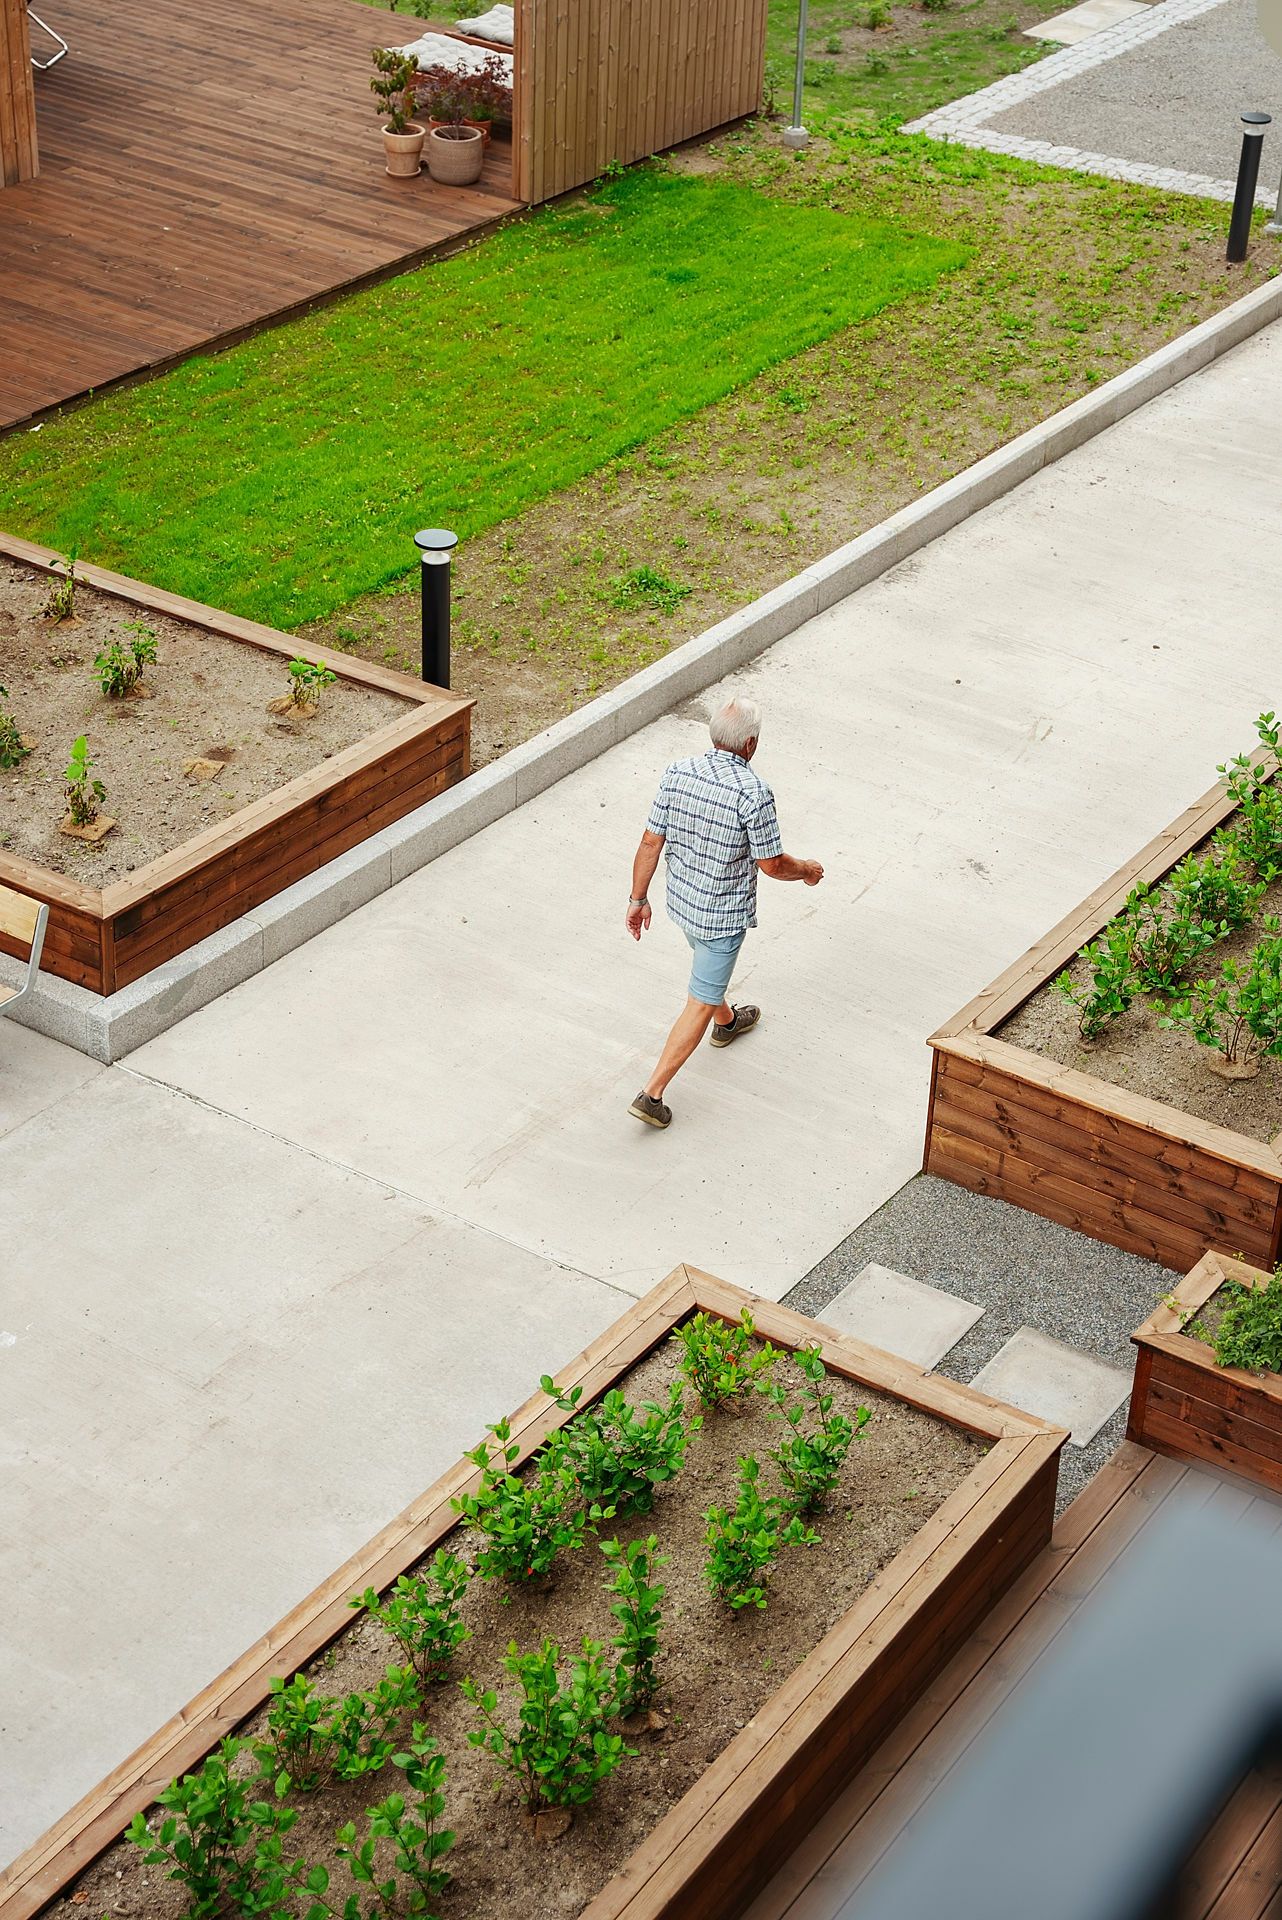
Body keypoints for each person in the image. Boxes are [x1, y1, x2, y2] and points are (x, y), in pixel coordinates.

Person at [625, 692, 823, 1129]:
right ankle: (652, 1093)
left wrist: (638, 899)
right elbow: (771, 864)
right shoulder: (754, 792)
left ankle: (728, 1021)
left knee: (707, 976)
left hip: (682, 902)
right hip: (721, 916)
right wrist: (807, 870)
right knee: (699, 1000)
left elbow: (649, 841)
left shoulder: (677, 773)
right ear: (750, 744)